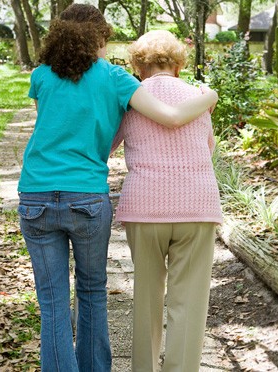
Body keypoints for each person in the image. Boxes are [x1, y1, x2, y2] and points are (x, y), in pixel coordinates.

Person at [17, 5, 217, 372]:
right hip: (88, 198)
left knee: (52, 301)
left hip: (36, 195)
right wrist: (209, 97)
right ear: (99, 39)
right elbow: (177, 123)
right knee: (92, 292)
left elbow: (58, 127)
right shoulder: (115, 79)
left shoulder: (40, 76)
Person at [110, 30, 223, 372]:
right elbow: (208, 149)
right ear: (178, 64)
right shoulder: (199, 97)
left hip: (145, 208)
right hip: (197, 206)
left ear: (138, 65)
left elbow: (107, 146)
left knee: (146, 296)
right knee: (188, 301)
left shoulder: (131, 98)